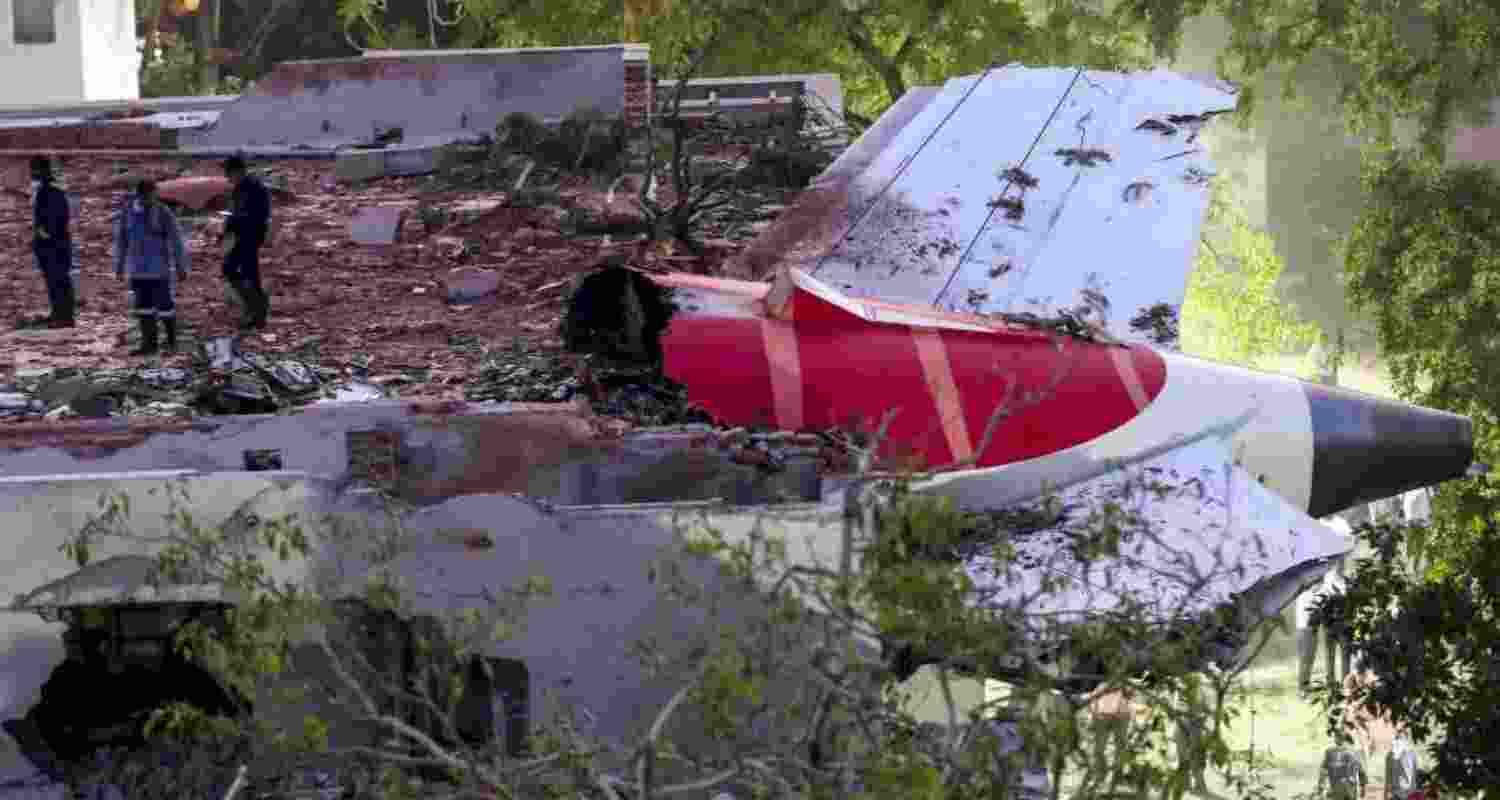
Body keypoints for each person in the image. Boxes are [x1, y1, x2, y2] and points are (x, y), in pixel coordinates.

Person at [114, 178, 189, 356]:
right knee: (143, 307)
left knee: (165, 307)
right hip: (137, 270)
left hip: (159, 270)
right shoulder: (128, 212)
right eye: (148, 196)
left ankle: (171, 342)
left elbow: (176, 240)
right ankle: (149, 344)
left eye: (153, 195)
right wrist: (119, 266)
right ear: (140, 195)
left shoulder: (162, 212)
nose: (151, 199)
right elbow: (122, 240)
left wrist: (181, 266)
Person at [219, 154, 271, 329]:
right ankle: (256, 306)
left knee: (248, 273)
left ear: (238, 171)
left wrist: (237, 220)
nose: (226, 177)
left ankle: (257, 311)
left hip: (251, 236)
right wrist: (226, 230)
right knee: (232, 269)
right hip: (240, 236)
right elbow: (233, 212)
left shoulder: (256, 188)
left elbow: (260, 215)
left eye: (228, 173)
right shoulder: (238, 189)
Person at [27, 155, 75, 329]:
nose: (31, 173)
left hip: (54, 245)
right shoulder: (46, 189)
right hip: (53, 244)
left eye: (33, 169)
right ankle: (59, 314)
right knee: (55, 281)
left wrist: (44, 235)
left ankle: (64, 317)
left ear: (41, 170)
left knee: (58, 281)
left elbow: (56, 220)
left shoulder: (50, 190)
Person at [1316, 732, 1367, 800]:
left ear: (1337, 739)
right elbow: (1362, 771)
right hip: (1351, 789)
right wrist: (1363, 787)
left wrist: (1320, 788)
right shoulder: (1356, 752)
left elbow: (1323, 772)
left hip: (1335, 789)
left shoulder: (1329, 752)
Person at [1387, 733, 1420, 800]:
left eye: (1397, 745)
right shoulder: (1392, 756)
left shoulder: (1411, 755)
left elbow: (1413, 775)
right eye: (1393, 744)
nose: (1394, 747)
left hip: (1407, 793)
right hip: (1398, 793)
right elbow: (1390, 776)